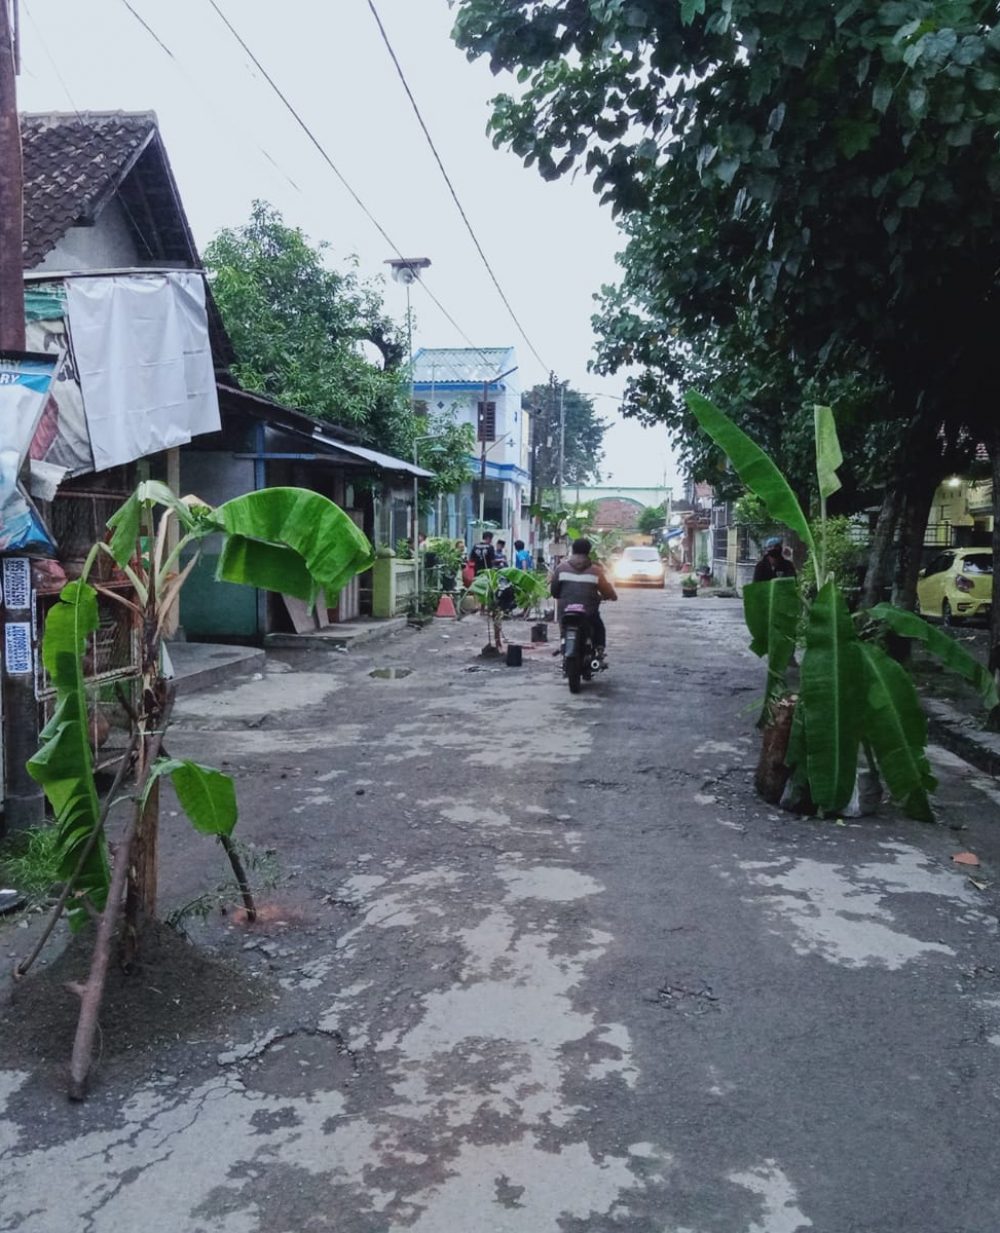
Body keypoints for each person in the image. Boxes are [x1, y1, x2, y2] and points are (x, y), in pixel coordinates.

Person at [550, 537, 617, 655]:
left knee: (564, 624)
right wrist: (611, 596)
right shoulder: (596, 571)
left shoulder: (561, 568)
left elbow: (554, 591)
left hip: (566, 611)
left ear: (572, 550)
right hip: (588, 612)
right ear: (589, 551)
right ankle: (599, 649)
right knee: (598, 626)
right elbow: (606, 590)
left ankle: (563, 642)